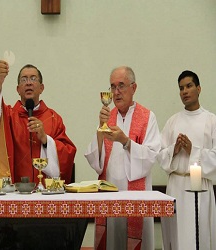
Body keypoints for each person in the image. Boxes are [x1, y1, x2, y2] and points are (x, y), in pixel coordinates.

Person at [84, 66, 160, 250]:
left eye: (121, 86)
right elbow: (97, 162)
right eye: (112, 87)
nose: (116, 92)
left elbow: (151, 155)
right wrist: (100, 129)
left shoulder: (147, 117)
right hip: (110, 195)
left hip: (135, 195)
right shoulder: (107, 117)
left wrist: (125, 142)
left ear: (134, 88)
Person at [0, 60, 76, 186]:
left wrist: (45, 139)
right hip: (15, 190)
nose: (28, 83)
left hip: (45, 192)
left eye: (33, 79)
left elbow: (68, 153)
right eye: (24, 80)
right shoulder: (9, 116)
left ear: (41, 88)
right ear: (18, 89)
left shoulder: (54, 118)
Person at [158, 70, 216, 250]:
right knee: (176, 238)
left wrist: (193, 150)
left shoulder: (211, 121)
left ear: (199, 89)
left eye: (189, 86)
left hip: (201, 188)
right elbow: (160, 154)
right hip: (176, 186)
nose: (184, 91)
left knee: (200, 236)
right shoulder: (172, 122)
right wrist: (174, 150)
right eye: (181, 88)